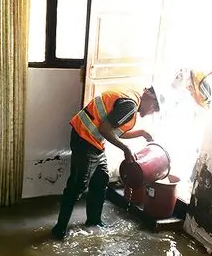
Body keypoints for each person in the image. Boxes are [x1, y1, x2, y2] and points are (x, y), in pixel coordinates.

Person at [51, 86, 161, 240]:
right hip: (85, 140)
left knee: (101, 180)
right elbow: (105, 129)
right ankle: (59, 230)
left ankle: (94, 222)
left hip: (93, 142)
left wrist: (141, 133)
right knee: (77, 186)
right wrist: (125, 149)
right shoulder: (130, 106)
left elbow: (114, 131)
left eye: (157, 109)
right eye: (155, 106)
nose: (153, 111)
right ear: (148, 95)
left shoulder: (131, 100)